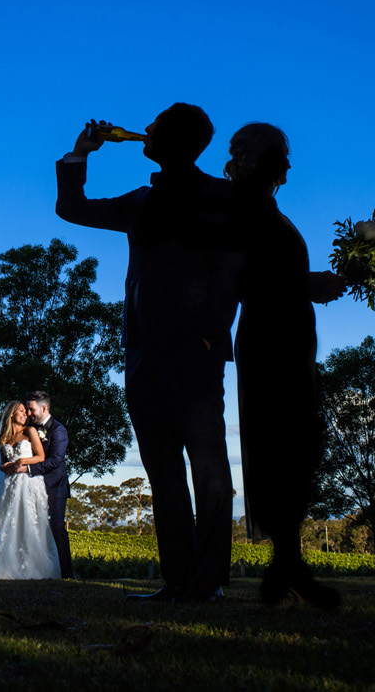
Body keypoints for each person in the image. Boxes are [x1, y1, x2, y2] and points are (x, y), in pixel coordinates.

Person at [55, 105, 239, 600]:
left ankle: (209, 581)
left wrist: (211, 331)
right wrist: (80, 154)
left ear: (176, 138)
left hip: (197, 354)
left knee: (209, 469)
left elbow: (231, 267)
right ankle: (177, 581)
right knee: (162, 473)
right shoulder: (140, 201)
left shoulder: (223, 197)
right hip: (143, 355)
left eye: (156, 125)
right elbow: (72, 209)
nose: (147, 129)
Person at [223, 123, 343, 610]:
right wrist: (308, 285)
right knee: (283, 443)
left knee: (296, 446)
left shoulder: (268, 209)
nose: (289, 167)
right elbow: (251, 276)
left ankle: (285, 567)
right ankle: (286, 567)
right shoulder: (241, 207)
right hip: (270, 340)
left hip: (291, 338)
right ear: (256, 158)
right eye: (281, 157)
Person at [0, 400, 61, 579]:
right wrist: (4, 467)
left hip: (28, 482)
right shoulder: (3, 438)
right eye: (21, 411)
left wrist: (21, 461)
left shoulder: (30, 431)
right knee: (7, 522)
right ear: (11, 414)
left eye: (25, 411)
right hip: (10, 484)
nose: (25, 414)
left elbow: (40, 456)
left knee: (28, 521)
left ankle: (33, 567)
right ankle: (3, 567)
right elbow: (0, 464)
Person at [0, 391, 72, 578]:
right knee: (30, 526)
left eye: (31, 410)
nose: (29, 414)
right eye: (26, 410)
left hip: (54, 486)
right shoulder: (29, 429)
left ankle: (66, 573)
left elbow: (54, 460)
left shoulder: (58, 430)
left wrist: (25, 467)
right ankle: (28, 568)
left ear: (43, 408)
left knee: (55, 527)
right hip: (30, 486)